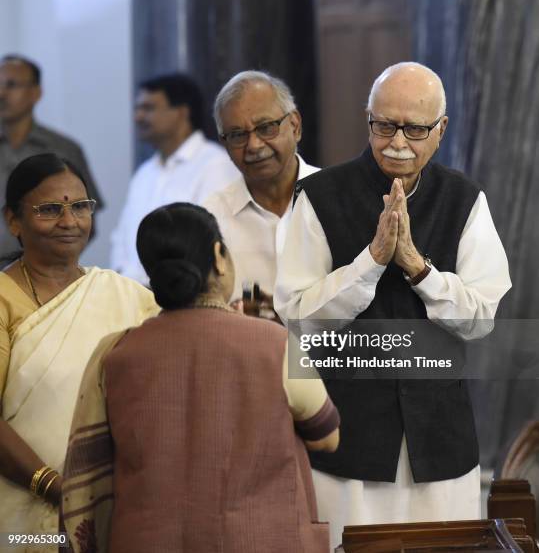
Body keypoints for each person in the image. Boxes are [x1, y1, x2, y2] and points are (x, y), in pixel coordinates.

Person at [275, 62, 512, 548]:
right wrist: (371, 261)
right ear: (368, 120)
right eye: (384, 125)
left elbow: (481, 318)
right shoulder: (319, 197)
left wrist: (418, 269)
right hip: (350, 441)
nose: (396, 141)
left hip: (440, 437)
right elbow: (298, 316)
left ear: (441, 130)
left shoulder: (465, 200)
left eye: (415, 128)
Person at [62, 203, 340, 553]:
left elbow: (92, 470)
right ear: (218, 256)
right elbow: (327, 439)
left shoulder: (116, 353)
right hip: (257, 540)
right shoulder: (276, 345)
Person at [0, 153, 159, 548]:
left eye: (80, 207)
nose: (69, 222)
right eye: (50, 209)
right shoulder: (4, 299)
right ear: (13, 220)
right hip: (24, 505)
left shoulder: (124, 295)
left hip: (116, 503)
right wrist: (53, 485)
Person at [204, 71, 318, 317]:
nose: (254, 145)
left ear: (295, 126)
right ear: (224, 143)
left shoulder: (340, 198)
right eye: (237, 135)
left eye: (266, 128)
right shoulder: (210, 218)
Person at [110, 72, 239, 285]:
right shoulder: (145, 172)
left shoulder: (215, 165)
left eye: (148, 108)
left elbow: (213, 239)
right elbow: (121, 239)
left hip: (184, 297)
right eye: (137, 108)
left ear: (181, 112)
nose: (138, 117)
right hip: (134, 298)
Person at [0, 54, 103, 257]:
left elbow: (85, 217)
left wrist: (54, 265)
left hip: (43, 275)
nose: (1, 93)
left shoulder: (62, 150)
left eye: (11, 85)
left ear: (36, 93)